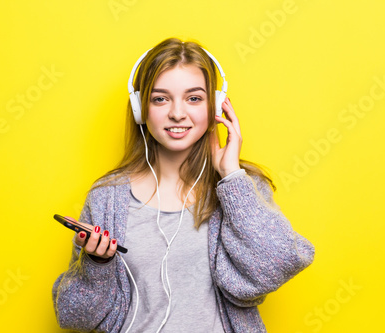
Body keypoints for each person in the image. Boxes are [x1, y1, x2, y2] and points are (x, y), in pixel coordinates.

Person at [52, 37, 315, 333]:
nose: (177, 113)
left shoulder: (241, 188)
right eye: (160, 98)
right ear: (140, 109)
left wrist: (230, 176)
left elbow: (276, 265)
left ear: (214, 106)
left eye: (194, 98)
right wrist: (96, 266)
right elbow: (74, 319)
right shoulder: (107, 198)